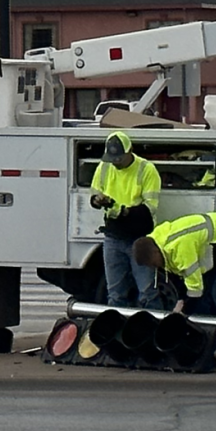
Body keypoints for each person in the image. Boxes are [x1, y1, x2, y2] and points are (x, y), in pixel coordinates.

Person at [132, 211, 216, 318]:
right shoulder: (158, 242)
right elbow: (181, 279)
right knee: (207, 295)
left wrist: (183, 313)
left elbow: (195, 290)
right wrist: (181, 300)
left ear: (155, 252)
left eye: (154, 263)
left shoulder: (180, 249)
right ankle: (209, 335)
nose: (155, 267)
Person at [89, 130, 161, 308]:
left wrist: (124, 212)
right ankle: (117, 324)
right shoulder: (105, 166)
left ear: (130, 151)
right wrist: (97, 200)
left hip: (140, 238)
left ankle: (152, 323)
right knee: (115, 293)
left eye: (119, 158)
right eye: (112, 158)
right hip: (113, 236)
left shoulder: (146, 169)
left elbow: (150, 208)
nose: (115, 162)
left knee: (147, 292)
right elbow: (94, 193)